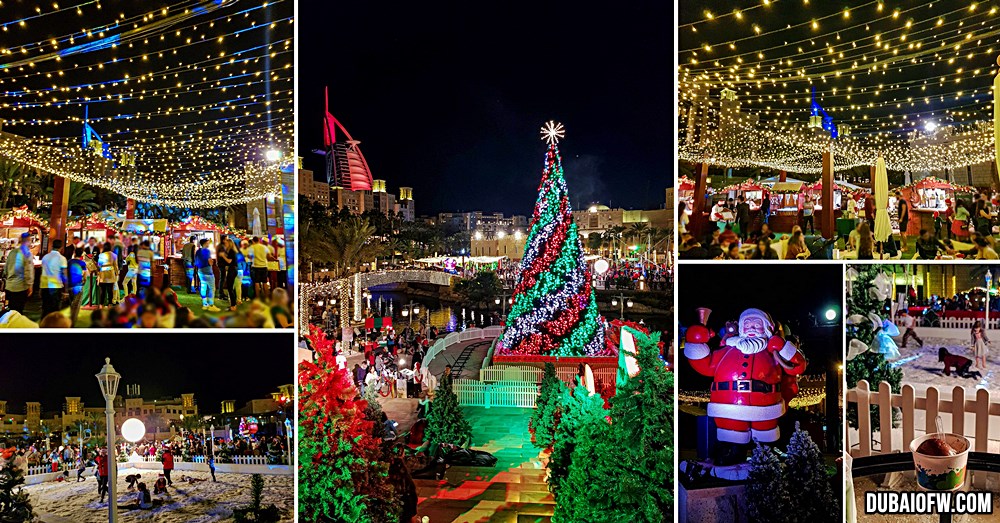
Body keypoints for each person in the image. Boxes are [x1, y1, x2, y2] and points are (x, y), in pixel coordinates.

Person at [3, 233, 34, 313]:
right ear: (27, 241)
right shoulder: (27, 253)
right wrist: (30, 285)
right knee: (18, 311)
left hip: (9, 286)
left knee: (10, 311)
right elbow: (28, 271)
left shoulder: (12, 252)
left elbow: (5, 269)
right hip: (20, 287)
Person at [40, 239, 68, 318]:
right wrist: (65, 290)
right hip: (55, 286)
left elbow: (42, 272)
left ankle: (43, 325)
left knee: (45, 308)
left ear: (52, 246)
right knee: (55, 309)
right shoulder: (62, 258)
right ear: (61, 248)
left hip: (44, 285)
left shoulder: (45, 257)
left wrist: (40, 287)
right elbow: (64, 274)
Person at [195, 239, 219, 312]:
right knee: (211, 288)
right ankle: (211, 305)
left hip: (200, 271)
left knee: (203, 287)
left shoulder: (198, 251)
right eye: (208, 243)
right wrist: (211, 262)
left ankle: (204, 304)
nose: (209, 244)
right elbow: (210, 262)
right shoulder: (207, 251)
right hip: (208, 271)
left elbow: (196, 261)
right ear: (205, 243)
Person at [219, 237, 239, 310]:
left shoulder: (231, 251)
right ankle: (233, 304)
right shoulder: (231, 251)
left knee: (230, 288)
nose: (225, 244)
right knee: (231, 288)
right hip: (233, 269)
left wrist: (223, 256)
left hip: (232, 270)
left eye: (226, 243)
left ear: (229, 244)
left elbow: (229, 261)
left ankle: (233, 306)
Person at [97, 242, 119, 308]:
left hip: (102, 275)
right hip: (110, 275)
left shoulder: (101, 255)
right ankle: (110, 306)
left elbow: (99, 266)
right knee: (110, 292)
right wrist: (117, 274)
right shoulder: (114, 255)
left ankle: (101, 306)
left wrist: (98, 274)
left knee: (102, 291)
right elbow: (116, 266)